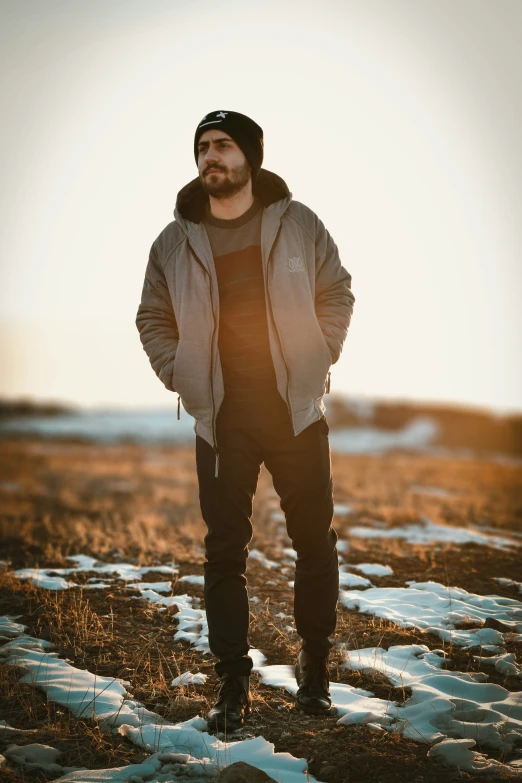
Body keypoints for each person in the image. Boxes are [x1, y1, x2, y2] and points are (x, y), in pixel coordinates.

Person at [136, 110, 355, 731]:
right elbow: (152, 316)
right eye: (202, 146)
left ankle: (314, 670)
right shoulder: (173, 241)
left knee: (315, 541)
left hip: (294, 412)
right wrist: (180, 374)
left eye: (222, 145)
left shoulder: (298, 223)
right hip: (220, 419)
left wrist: (320, 353)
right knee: (224, 550)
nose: (210, 155)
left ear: (250, 157)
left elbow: (336, 291)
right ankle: (232, 679)